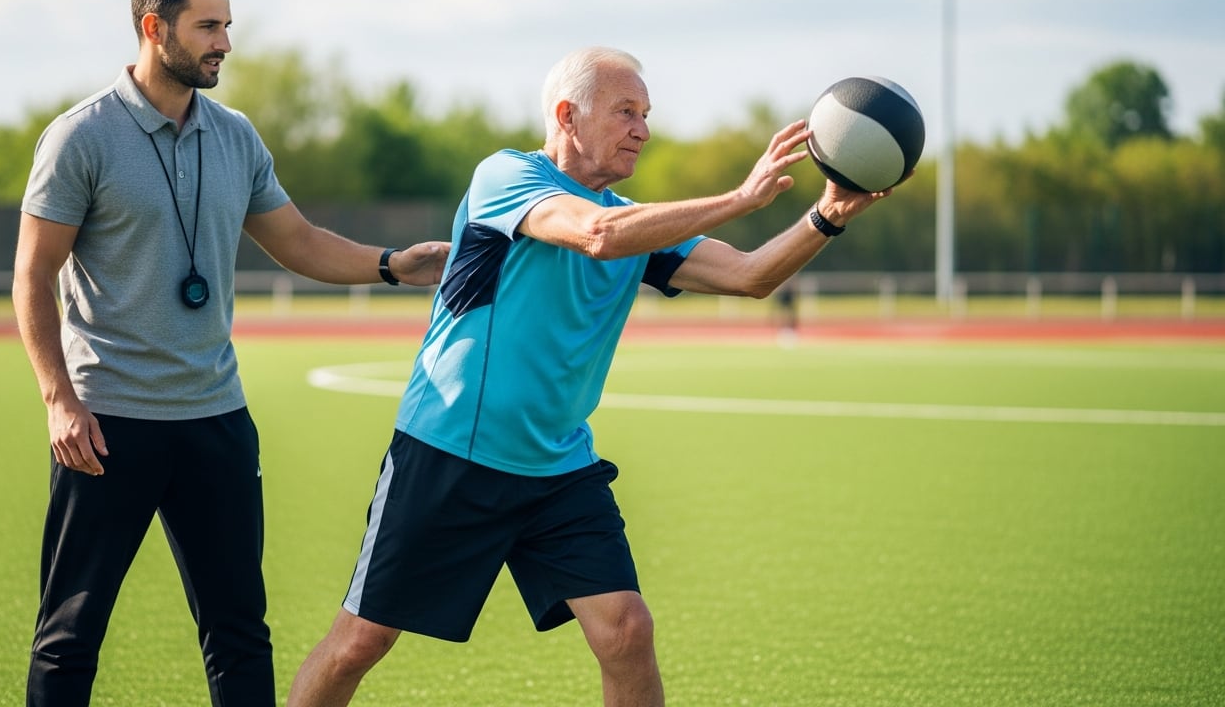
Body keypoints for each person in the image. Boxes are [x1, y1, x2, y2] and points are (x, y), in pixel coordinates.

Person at [284, 46, 899, 707]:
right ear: (566, 116)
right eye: (626, 111)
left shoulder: (643, 225)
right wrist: (741, 197)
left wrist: (827, 215)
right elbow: (597, 233)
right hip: (449, 451)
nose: (643, 128)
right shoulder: (508, 177)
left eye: (647, 114)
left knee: (626, 630)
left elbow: (750, 276)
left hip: (556, 467)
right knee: (360, 643)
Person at [12, 0, 447, 707]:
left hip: (216, 420)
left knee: (240, 632)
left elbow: (298, 240)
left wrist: (391, 264)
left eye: (227, 25)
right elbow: (32, 274)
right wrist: (58, 397)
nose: (224, 43)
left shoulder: (236, 134)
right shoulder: (80, 137)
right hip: (108, 423)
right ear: (155, 28)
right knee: (70, 635)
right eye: (207, 26)